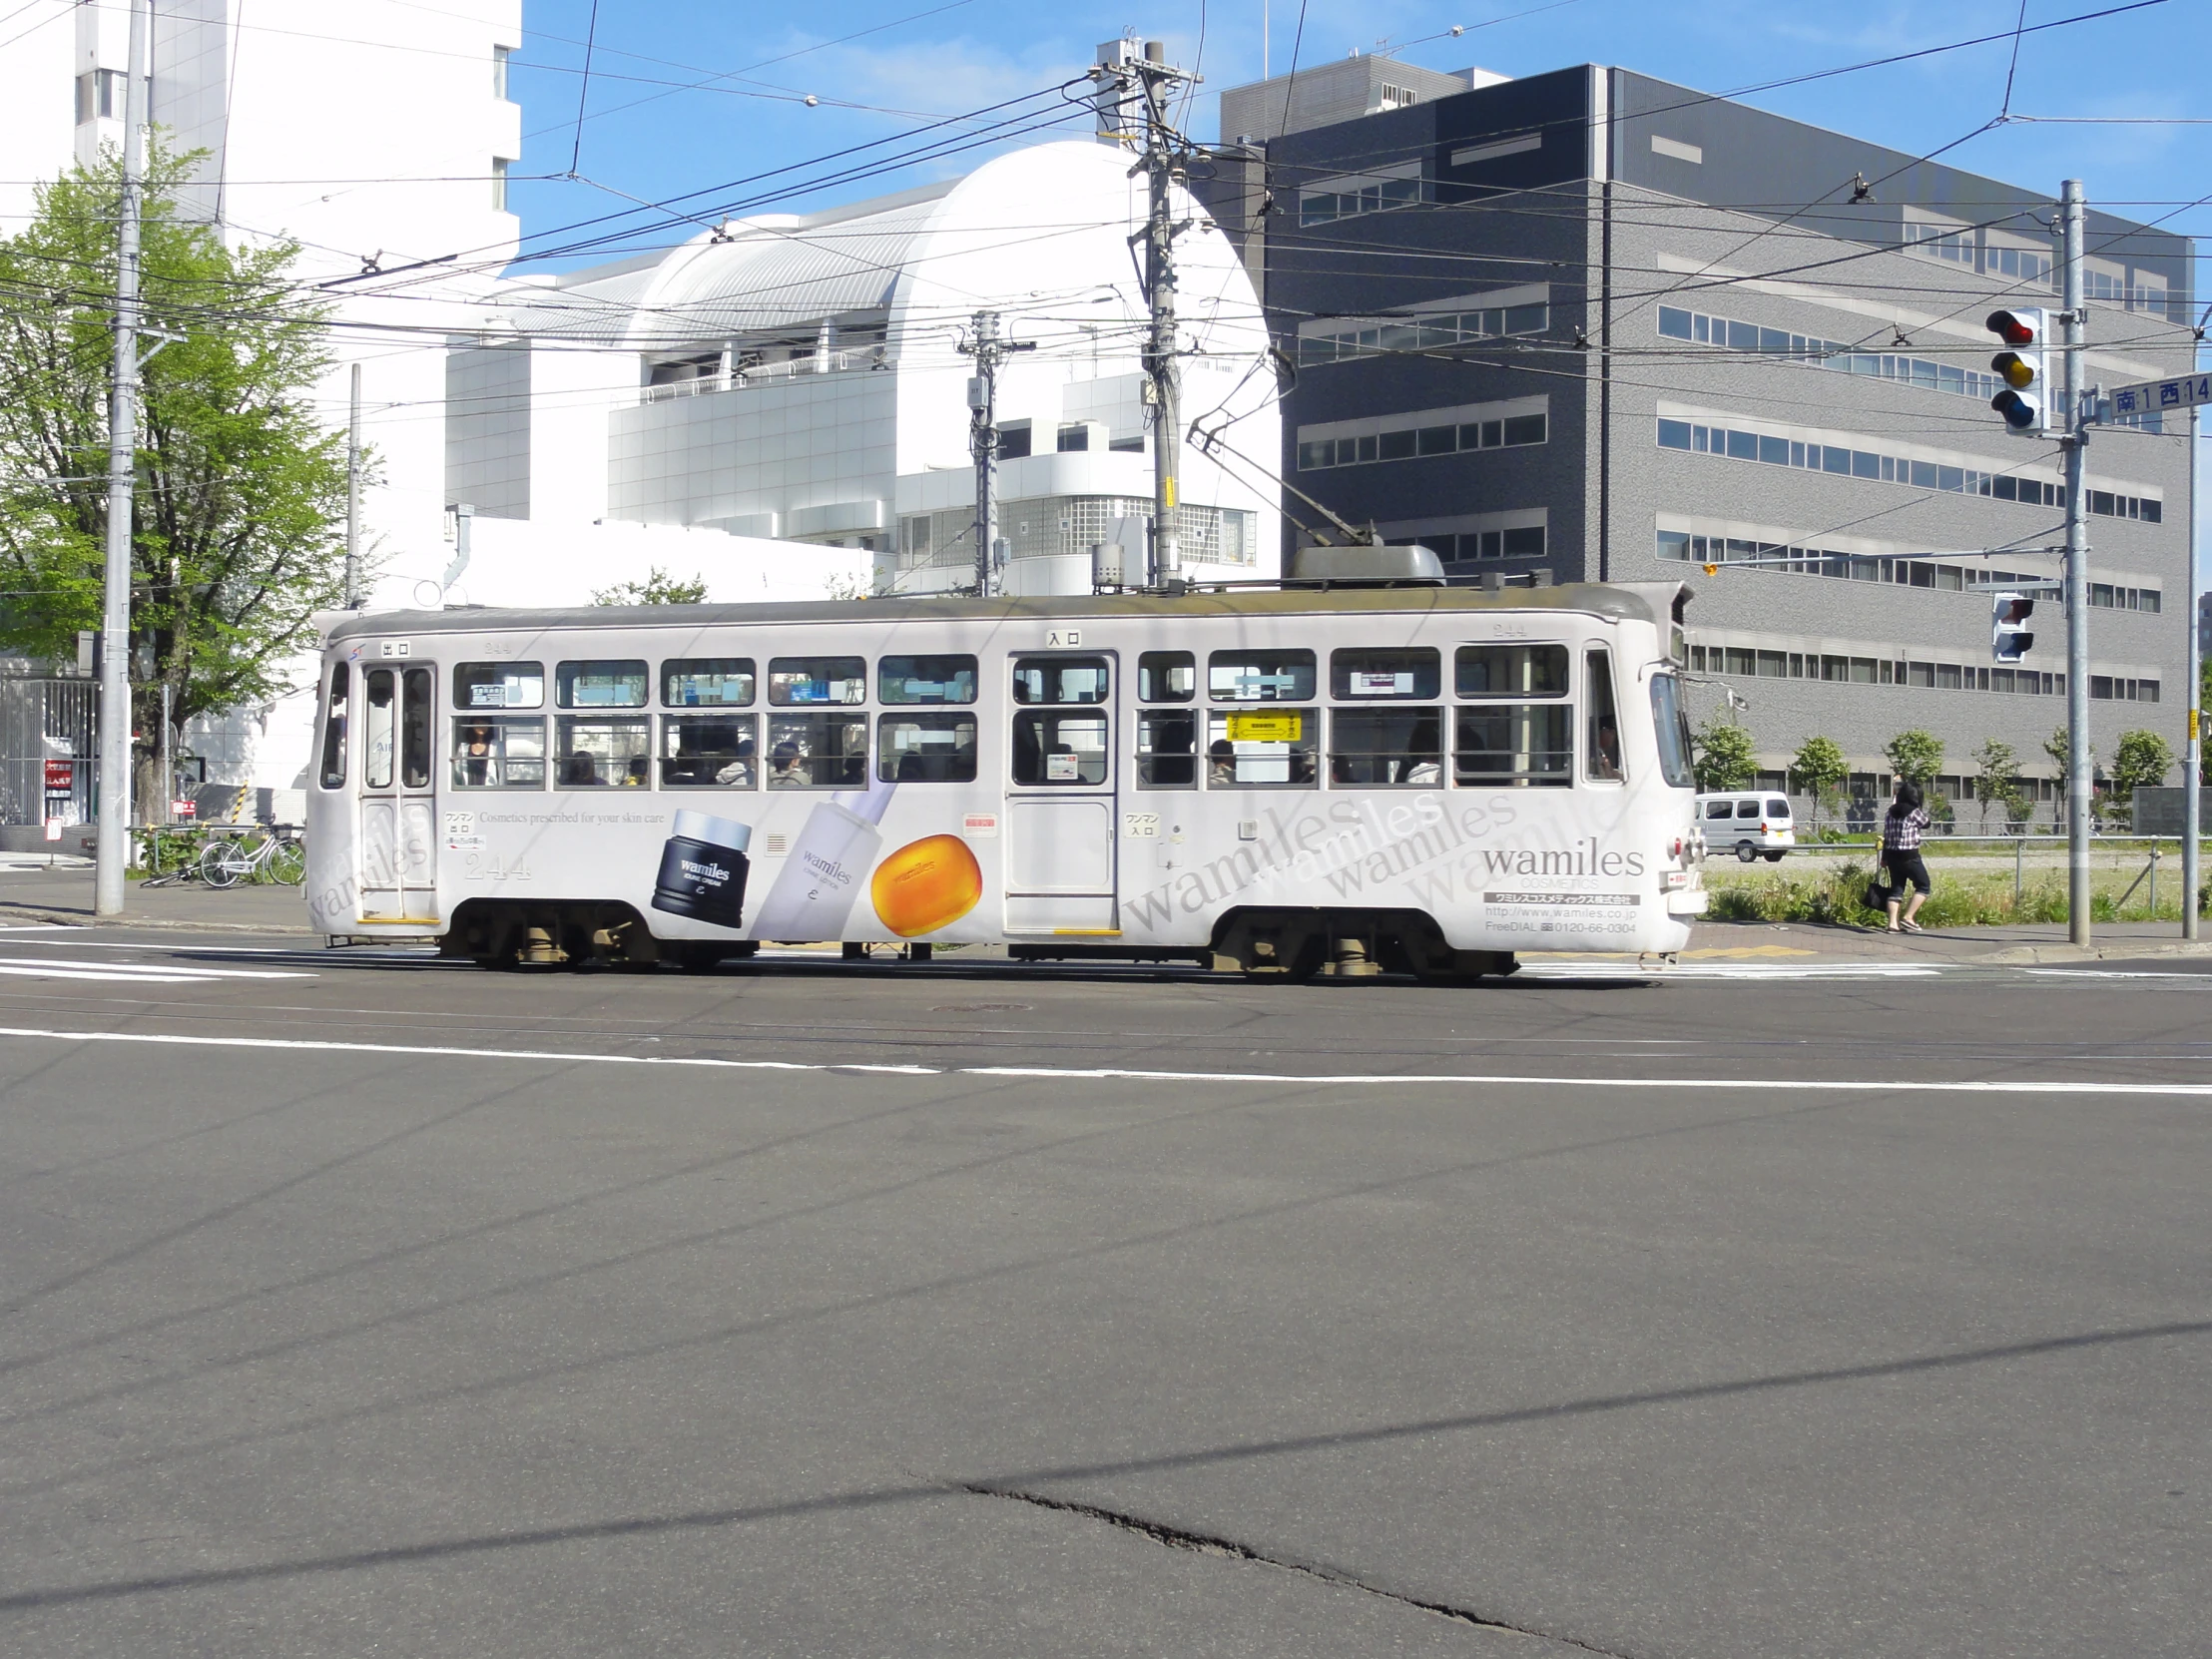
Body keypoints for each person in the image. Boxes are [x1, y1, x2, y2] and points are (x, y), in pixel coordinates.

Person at [1882, 781, 1934, 932]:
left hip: (1891, 855)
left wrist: (1884, 857)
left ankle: (1892, 924)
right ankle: (1908, 917)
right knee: (1924, 886)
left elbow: (1886, 835)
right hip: (1909, 855)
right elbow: (1926, 823)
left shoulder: (1890, 812)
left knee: (1896, 889)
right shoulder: (1913, 812)